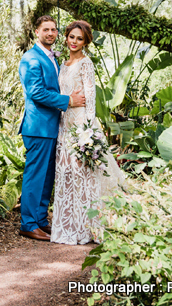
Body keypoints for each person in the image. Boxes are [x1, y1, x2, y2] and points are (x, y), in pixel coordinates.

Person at [50, 20, 126, 245]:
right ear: (66, 37)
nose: (74, 42)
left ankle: (89, 227)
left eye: (79, 39)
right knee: (67, 174)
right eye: (71, 37)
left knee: (84, 175)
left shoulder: (86, 64)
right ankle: (69, 224)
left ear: (86, 42)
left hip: (81, 125)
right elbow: (62, 96)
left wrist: (89, 132)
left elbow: (90, 98)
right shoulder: (62, 64)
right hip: (65, 124)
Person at [17, 15, 86, 241]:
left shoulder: (51, 58)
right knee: (35, 176)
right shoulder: (31, 58)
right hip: (37, 127)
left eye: (54, 30)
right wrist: (67, 101)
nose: (50, 33)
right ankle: (27, 223)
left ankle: (40, 219)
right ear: (36, 32)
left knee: (47, 177)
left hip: (52, 126)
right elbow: (36, 93)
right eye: (45, 29)